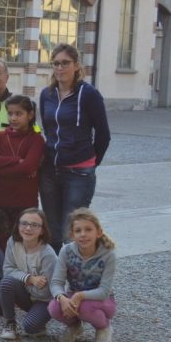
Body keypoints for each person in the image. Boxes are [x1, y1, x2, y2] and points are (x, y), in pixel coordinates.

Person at [39, 43, 111, 249]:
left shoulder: (88, 94)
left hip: (78, 171)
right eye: (56, 63)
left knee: (72, 230)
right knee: (51, 229)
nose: (60, 68)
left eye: (65, 63)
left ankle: (75, 277)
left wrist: (90, 162)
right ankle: (54, 278)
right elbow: (48, 129)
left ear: (76, 66)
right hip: (50, 171)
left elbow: (103, 134)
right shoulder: (47, 95)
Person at [49, 207, 118, 342]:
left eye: (88, 229)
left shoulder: (108, 254)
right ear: (72, 235)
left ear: (98, 232)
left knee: (85, 307)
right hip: (74, 296)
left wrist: (79, 295)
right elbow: (56, 282)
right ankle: (75, 326)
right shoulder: (66, 251)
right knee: (54, 308)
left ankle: (104, 327)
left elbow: (104, 290)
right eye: (78, 231)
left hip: (102, 300)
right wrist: (62, 298)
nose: (83, 234)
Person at [0, 94, 44, 228]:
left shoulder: (36, 140)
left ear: (30, 115)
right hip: (0, 200)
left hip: (25, 202)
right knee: (1, 240)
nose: (13, 118)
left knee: (22, 240)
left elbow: (28, 167)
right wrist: (17, 160)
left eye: (19, 114)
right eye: (10, 113)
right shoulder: (0, 137)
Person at [0, 207, 57, 340]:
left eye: (34, 225)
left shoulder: (47, 254)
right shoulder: (13, 242)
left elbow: (46, 292)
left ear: (42, 230)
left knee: (31, 328)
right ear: (18, 225)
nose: (28, 228)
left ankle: (39, 320)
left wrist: (22, 281)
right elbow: (7, 270)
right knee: (7, 282)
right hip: (27, 293)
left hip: (44, 300)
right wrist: (30, 279)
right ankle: (10, 323)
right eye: (24, 223)